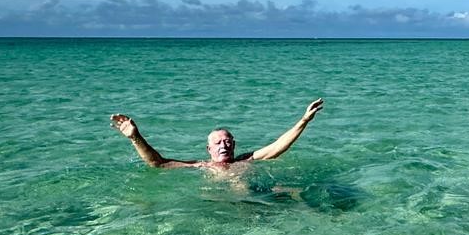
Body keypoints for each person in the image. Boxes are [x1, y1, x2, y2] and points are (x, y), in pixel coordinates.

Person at [110, 99, 323, 170]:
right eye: (218, 142)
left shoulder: (246, 160)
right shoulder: (201, 166)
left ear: (234, 145)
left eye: (227, 141)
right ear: (208, 149)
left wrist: (304, 120)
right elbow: (158, 164)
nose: (223, 145)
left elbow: (278, 146)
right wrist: (135, 137)